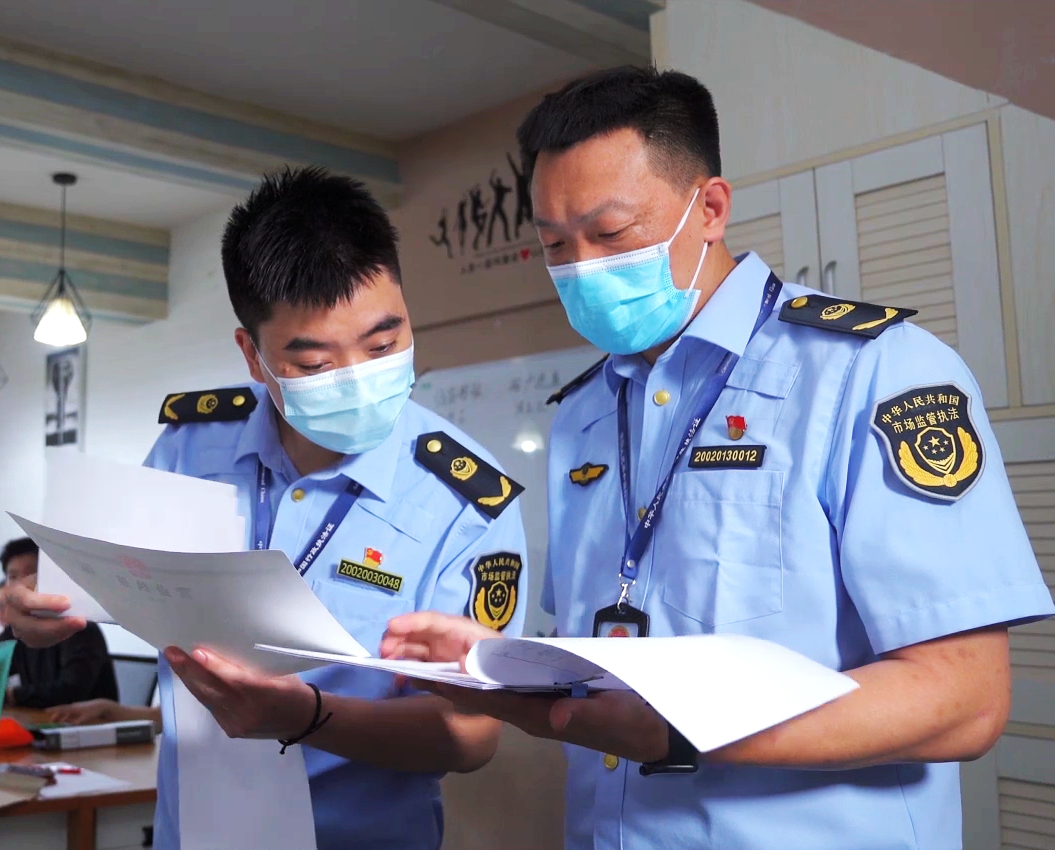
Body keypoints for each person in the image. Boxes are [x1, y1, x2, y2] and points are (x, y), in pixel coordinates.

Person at [380, 66, 1055, 850]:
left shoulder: (870, 371)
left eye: (611, 233)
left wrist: (682, 732)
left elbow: (962, 699)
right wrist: (497, 670)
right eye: (555, 244)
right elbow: (598, 662)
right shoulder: (586, 413)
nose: (582, 266)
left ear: (708, 208)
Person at [3, 166, 529, 850]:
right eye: (314, 365)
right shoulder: (191, 446)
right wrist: (42, 614)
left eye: (383, 344)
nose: (356, 378)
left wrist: (308, 717)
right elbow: (114, 588)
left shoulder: (463, 500)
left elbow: (472, 735)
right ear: (252, 356)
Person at [0, 538, 118, 709]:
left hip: (88, 723)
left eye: (31, 574)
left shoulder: (78, 625)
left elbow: (72, 690)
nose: (23, 586)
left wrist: (12, 695)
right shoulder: (14, 631)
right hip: (37, 720)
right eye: (13, 577)